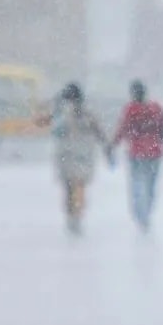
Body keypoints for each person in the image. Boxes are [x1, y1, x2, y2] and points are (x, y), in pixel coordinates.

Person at [50, 83, 108, 235]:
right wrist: (107, 147)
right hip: (81, 156)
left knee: (70, 188)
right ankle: (76, 214)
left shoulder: (62, 114)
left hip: (67, 156)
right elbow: (99, 132)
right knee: (78, 187)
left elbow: (54, 130)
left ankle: (73, 214)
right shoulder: (86, 114)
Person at [111, 80, 163, 231]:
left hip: (136, 152)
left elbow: (122, 129)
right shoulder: (156, 108)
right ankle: (147, 212)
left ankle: (140, 214)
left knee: (137, 184)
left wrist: (113, 145)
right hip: (155, 152)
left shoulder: (131, 109)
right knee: (150, 185)